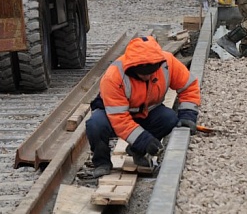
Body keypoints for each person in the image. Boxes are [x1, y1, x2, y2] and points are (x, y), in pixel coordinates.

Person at [85, 36, 201, 178]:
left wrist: (188, 116)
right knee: (95, 124)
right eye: (143, 73)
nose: (147, 77)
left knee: (169, 118)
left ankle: (136, 151)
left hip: (147, 112)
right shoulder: (114, 76)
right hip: (112, 114)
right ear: (132, 67)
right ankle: (102, 163)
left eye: (151, 72)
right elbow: (120, 119)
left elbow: (188, 86)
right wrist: (145, 140)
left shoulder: (167, 63)